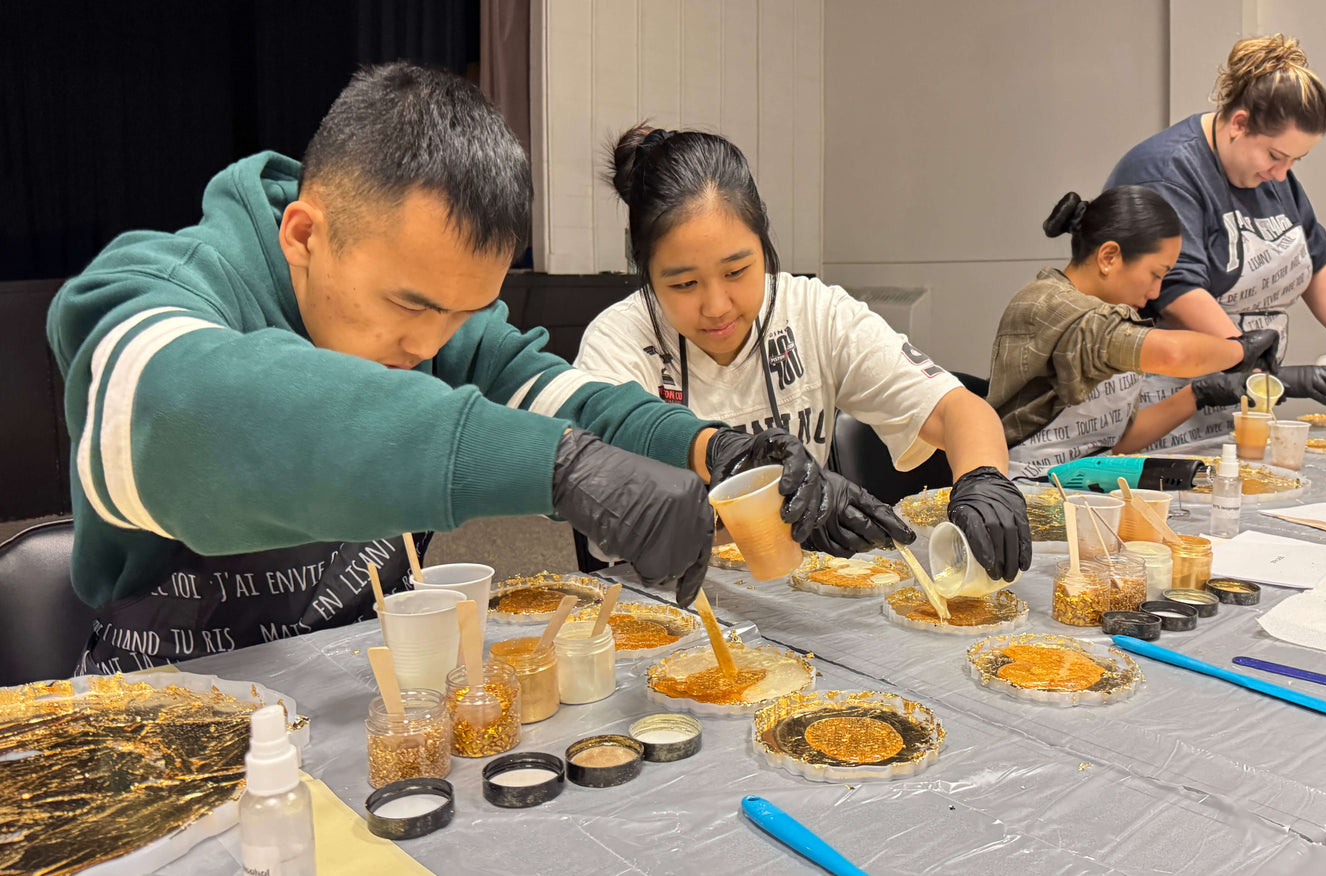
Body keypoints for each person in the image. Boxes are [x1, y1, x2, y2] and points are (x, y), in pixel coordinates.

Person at [46, 64, 855, 674]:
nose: (429, 347)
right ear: (302, 235)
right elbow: (187, 410)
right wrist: (558, 468)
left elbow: (560, 397)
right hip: (172, 703)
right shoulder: (148, 296)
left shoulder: (436, 326)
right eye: (409, 306)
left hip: (372, 687)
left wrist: (715, 450)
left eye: (460, 314)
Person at [574, 126, 1031, 581]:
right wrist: (775, 510)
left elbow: (956, 409)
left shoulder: (814, 313)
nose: (716, 306)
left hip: (798, 594)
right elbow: (601, 497)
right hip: (665, 598)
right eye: (683, 284)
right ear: (646, 273)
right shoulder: (618, 343)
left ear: (764, 243)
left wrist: (984, 479)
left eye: (737, 271)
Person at [1105, 34, 1326, 448]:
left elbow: (1315, 258)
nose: (1282, 172)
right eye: (1276, 156)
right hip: (1157, 412)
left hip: (1237, 399)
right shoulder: (1167, 172)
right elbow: (1176, 289)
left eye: (1296, 161)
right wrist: (1258, 370)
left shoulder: (1271, 176)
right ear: (1239, 124)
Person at [988, 187, 1281, 477]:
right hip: (1023, 489)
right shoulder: (1051, 305)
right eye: (1156, 274)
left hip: (1081, 481)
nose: (1156, 292)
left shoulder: (1109, 314)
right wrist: (1241, 350)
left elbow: (1117, 442)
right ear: (1109, 257)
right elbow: (1172, 354)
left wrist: (1199, 394)